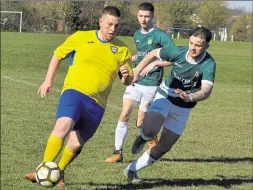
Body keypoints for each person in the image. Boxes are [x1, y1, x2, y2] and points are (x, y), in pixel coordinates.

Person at [24, 6, 133, 188]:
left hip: (98, 104)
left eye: (116, 25)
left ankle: (58, 171)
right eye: (109, 24)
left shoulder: (123, 50)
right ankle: (41, 170)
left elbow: (127, 81)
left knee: (75, 145)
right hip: (74, 92)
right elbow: (58, 55)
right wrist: (47, 80)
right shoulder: (81, 37)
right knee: (63, 126)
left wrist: (127, 75)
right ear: (101, 22)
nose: (113, 29)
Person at [124, 27, 216, 183]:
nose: (193, 47)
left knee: (164, 147)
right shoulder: (178, 52)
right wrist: (137, 73)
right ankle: (144, 136)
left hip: (184, 107)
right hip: (165, 96)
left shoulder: (208, 64)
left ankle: (131, 170)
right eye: (191, 43)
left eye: (198, 45)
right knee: (151, 129)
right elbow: (153, 53)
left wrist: (191, 96)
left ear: (207, 46)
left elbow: (206, 90)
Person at [105, 2, 175, 164]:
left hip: (151, 84)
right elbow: (144, 55)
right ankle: (117, 152)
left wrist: (156, 63)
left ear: (153, 16)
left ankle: (154, 145)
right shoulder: (137, 35)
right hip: (135, 81)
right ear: (137, 15)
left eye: (147, 16)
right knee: (124, 114)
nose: (143, 19)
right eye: (141, 16)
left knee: (140, 122)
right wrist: (135, 59)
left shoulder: (161, 36)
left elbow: (173, 57)